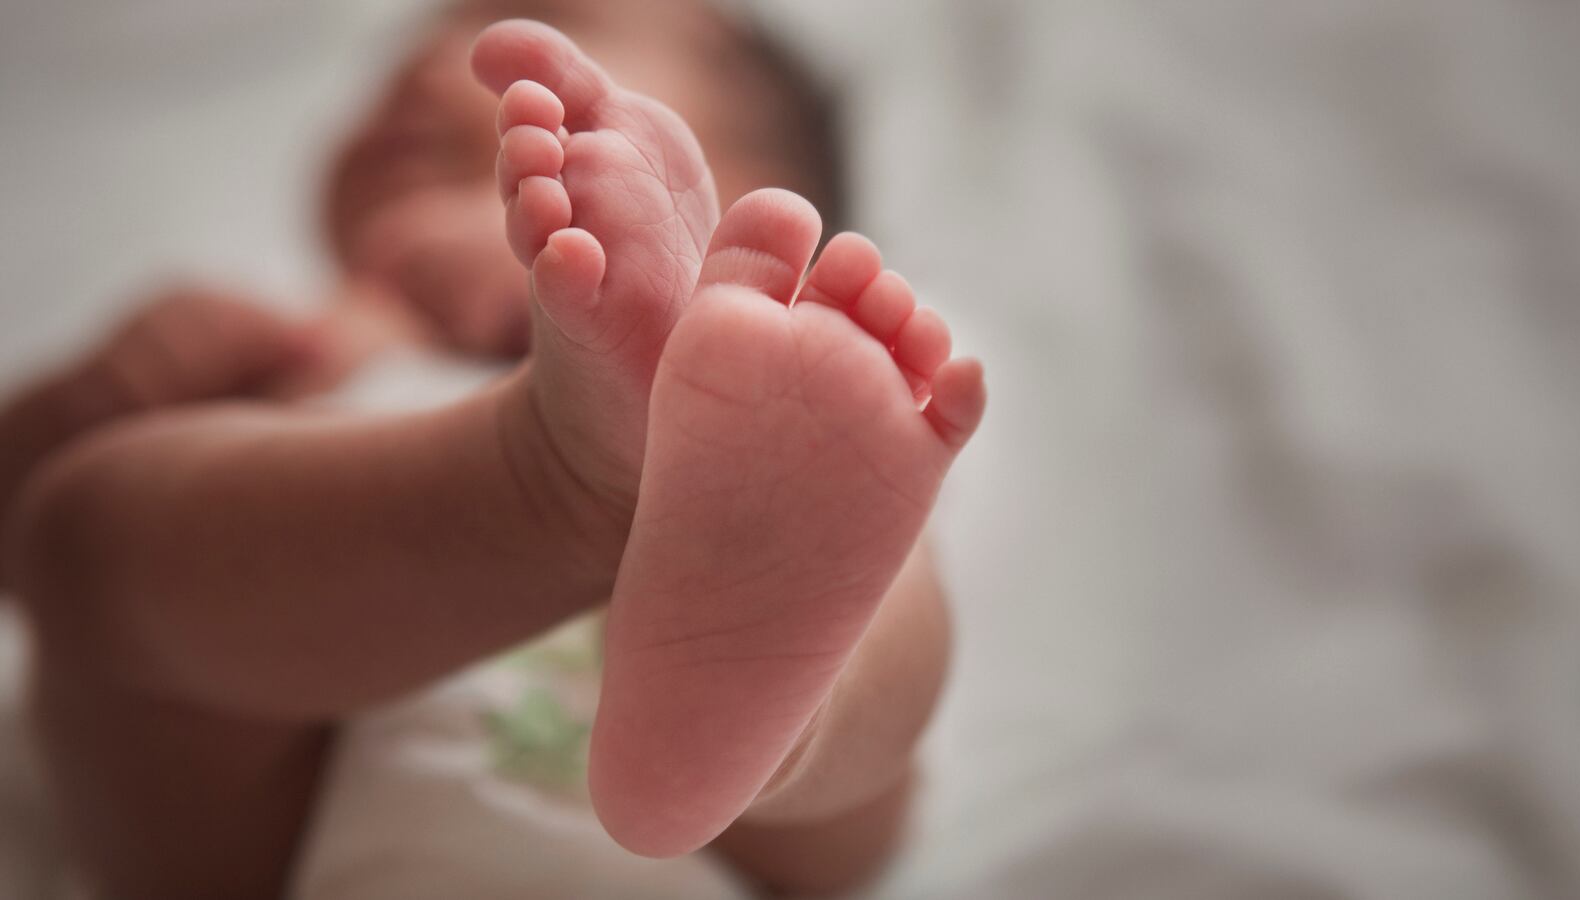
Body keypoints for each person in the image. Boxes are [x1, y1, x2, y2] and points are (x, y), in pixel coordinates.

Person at [0, 6, 985, 898]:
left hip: (727, 839)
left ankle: (781, 726)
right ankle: (563, 485)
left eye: (552, 12)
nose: (430, 59)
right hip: (288, 815)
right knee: (89, 528)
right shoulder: (288, 347)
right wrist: (103, 399)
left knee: (870, 564)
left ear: (756, 174)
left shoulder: (790, 415)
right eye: (406, 47)